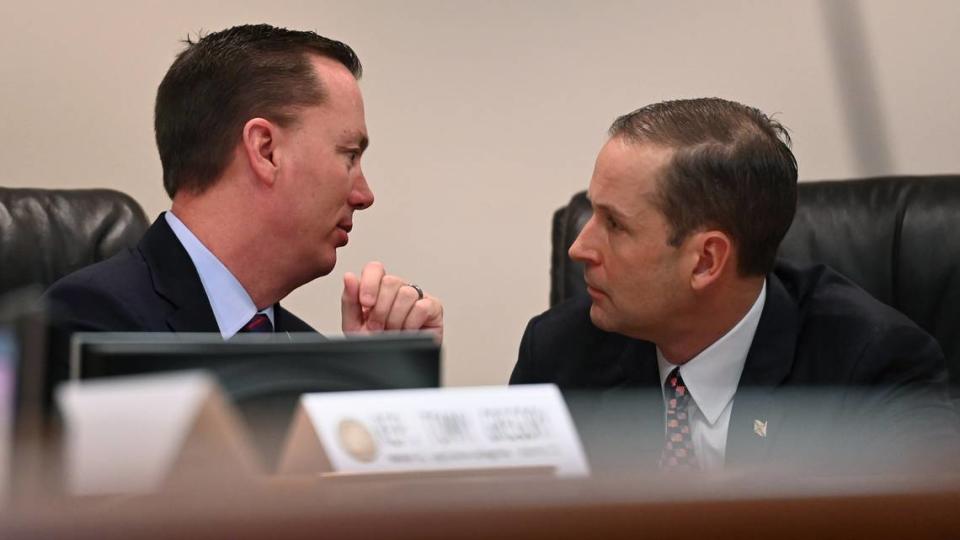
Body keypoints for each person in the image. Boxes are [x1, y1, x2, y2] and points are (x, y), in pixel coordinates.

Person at [510, 98, 957, 473]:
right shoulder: (559, 351)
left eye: (614, 224)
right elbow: (500, 513)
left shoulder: (871, 367)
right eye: (592, 213)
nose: (579, 248)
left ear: (706, 260)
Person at [43, 25, 443, 383]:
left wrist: (377, 382)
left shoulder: (312, 353)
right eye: (349, 156)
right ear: (265, 150)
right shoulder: (90, 325)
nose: (364, 195)